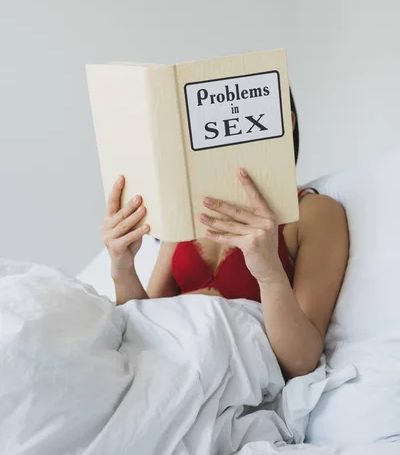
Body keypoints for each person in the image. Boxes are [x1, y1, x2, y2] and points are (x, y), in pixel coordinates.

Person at [101, 91, 349, 379]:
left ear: (282, 124)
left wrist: (269, 273)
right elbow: (144, 326)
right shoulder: (192, 212)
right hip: (160, 363)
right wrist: (122, 269)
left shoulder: (314, 212)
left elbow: (302, 360)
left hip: (221, 372)